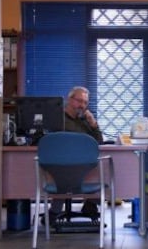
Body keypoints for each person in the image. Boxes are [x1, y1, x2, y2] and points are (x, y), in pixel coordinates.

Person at [44, 86, 103, 225]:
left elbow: (99, 142)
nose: (82, 105)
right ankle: (55, 211)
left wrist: (93, 124)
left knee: (99, 171)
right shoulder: (56, 119)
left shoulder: (84, 121)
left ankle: (90, 205)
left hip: (83, 164)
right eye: (79, 101)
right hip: (61, 164)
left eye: (85, 103)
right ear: (69, 100)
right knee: (65, 174)